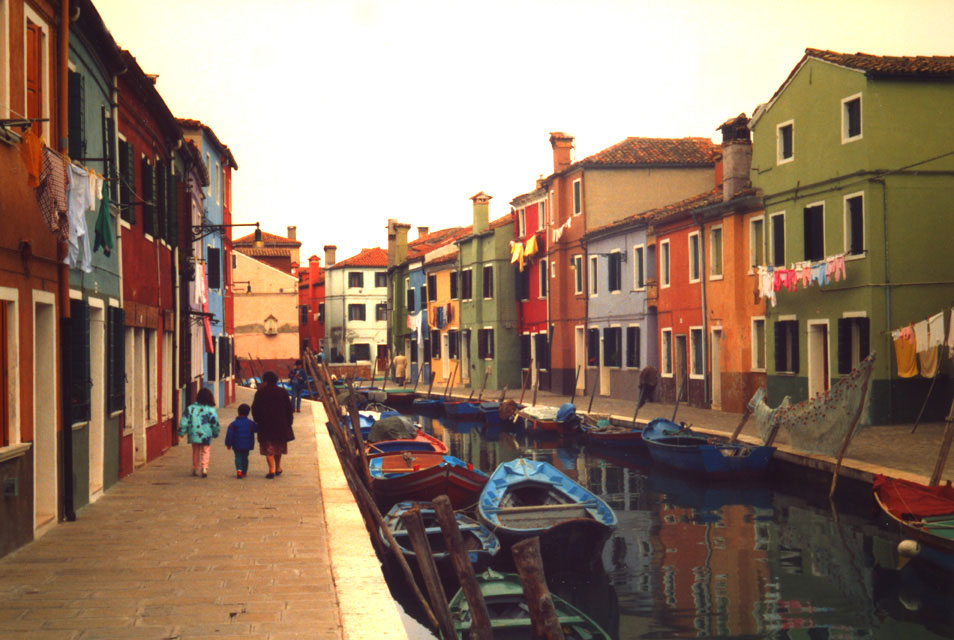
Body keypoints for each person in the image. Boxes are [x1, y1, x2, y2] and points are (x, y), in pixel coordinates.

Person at [252, 370, 295, 479]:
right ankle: (278, 467)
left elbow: (255, 409)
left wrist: (258, 420)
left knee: (268, 447)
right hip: (281, 425)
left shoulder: (260, 393)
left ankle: (271, 469)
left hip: (265, 425)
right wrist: (289, 422)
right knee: (278, 447)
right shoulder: (282, 392)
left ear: (265, 381)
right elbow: (289, 409)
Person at [178, 388, 220, 478]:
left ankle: (195, 468)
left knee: (195, 451)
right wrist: (215, 433)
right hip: (207, 434)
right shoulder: (211, 410)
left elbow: (184, 421)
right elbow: (215, 422)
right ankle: (204, 468)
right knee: (206, 450)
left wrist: (181, 432)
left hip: (194, 434)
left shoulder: (190, 408)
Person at [225, 403, 256, 478]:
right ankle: (244, 472)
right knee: (245, 457)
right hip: (247, 444)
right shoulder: (251, 424)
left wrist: (228, 444)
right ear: (248, 413)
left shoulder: (233, 424)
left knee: (238, 457)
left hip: (237, 444)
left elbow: (229, 434)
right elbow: (256, 429)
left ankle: (239, 470)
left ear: (238, 412)